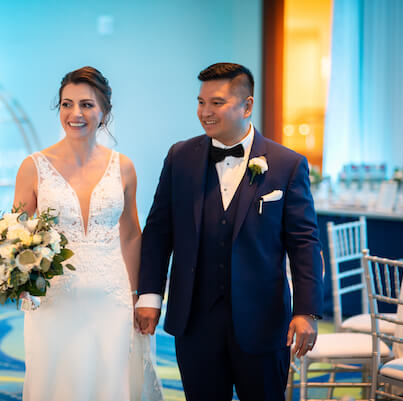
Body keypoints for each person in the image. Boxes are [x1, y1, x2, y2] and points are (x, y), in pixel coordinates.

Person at [135, 62, 323, 401]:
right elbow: (159, 231)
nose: (205, 112)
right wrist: (149, 295)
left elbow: (304, 243)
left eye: (216, 103)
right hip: (195, 320)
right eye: (201, 102)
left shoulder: (286, 164)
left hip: (263, 322)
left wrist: (305, 310)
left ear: (247, 106)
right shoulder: (180, 157)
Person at [14, 66, 162, 401]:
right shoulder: (33, 166)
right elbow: (17, 236)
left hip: (111, 295)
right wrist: (21, 282)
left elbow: (130, 235)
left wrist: (138, 293)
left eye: (86, 105)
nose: (75, 114)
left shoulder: (123, 167)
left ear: (104, 112)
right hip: (53, 297)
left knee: (109, 378)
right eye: (66, 104)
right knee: (55, 378)